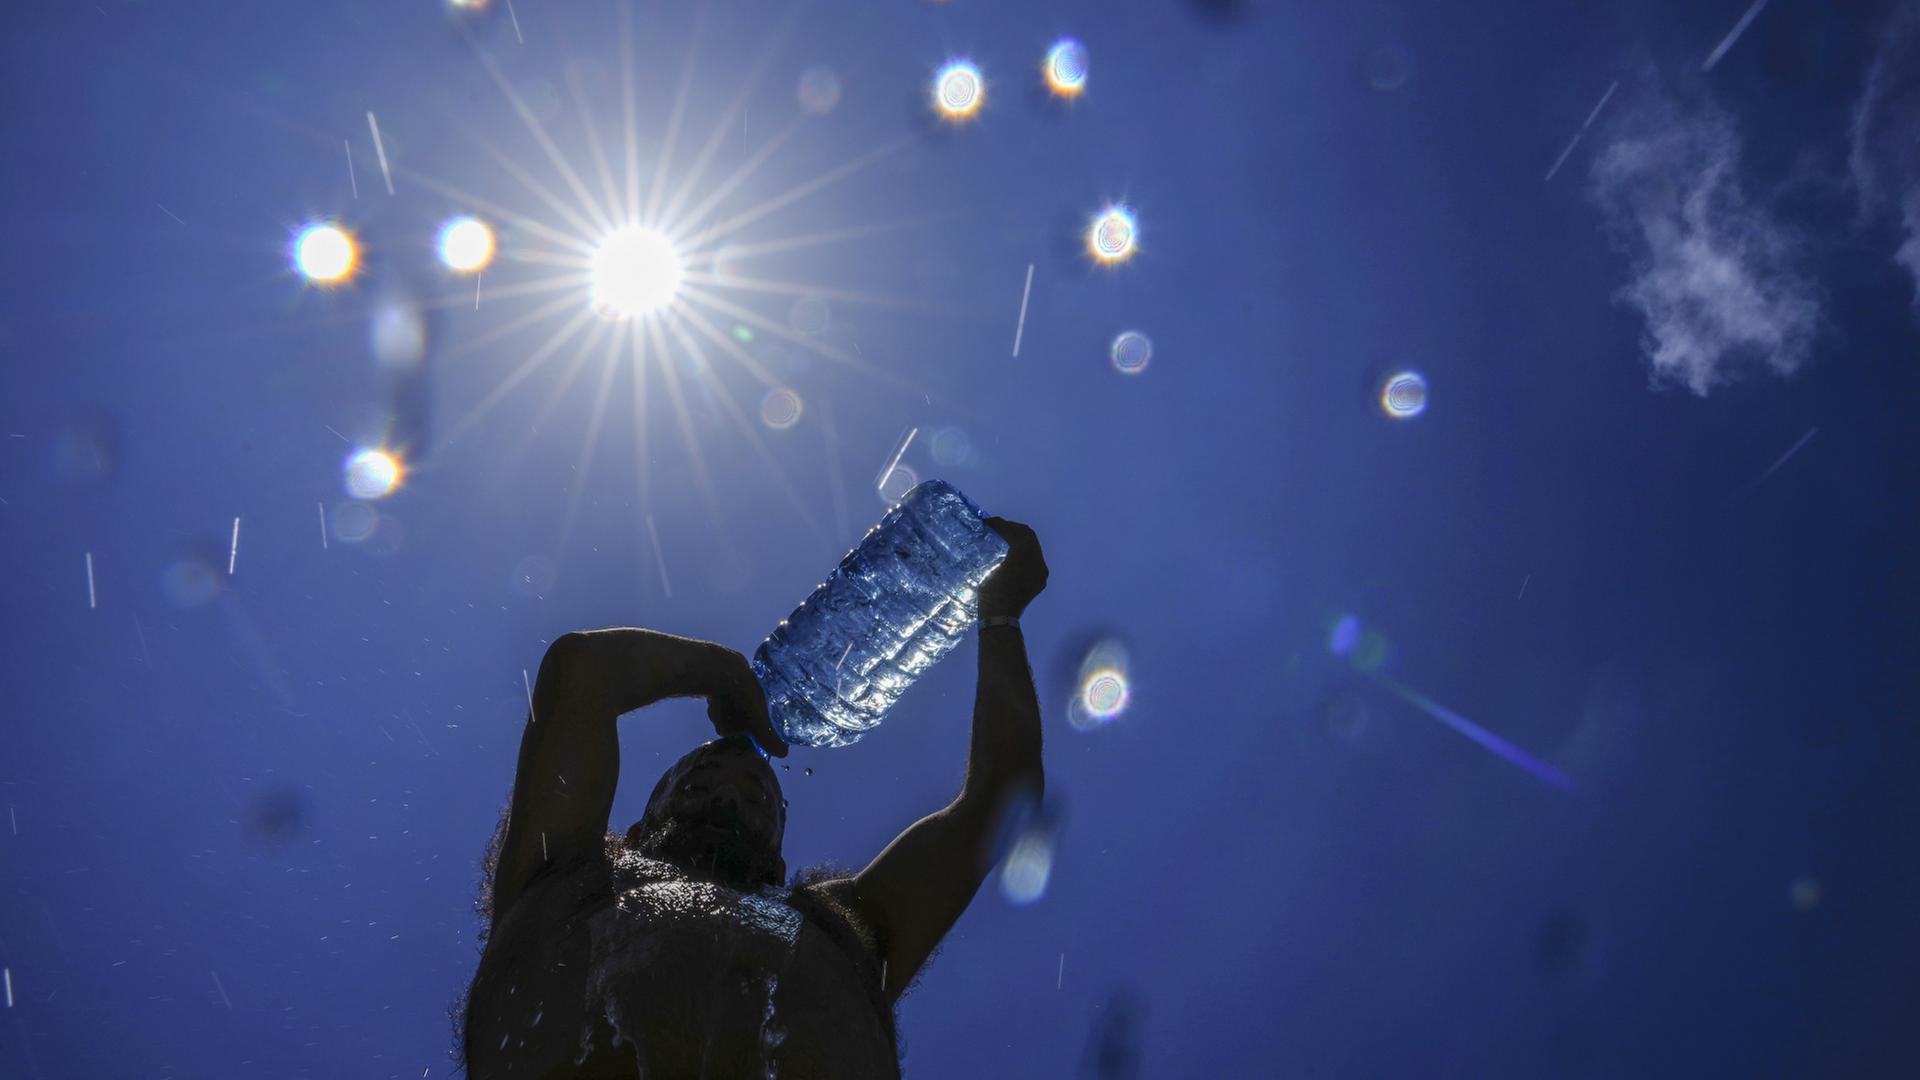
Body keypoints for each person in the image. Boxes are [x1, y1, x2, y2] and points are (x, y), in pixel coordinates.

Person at [460, 517, 1048, 1079]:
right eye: (699, 778)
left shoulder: (845, 926)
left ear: (778, 863)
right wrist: (723, 674)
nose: (729, 789)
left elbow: (1000, 797)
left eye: (753, 795)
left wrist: (1000, 616)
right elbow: (581, 670)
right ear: (634, 833)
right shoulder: (560, 872)